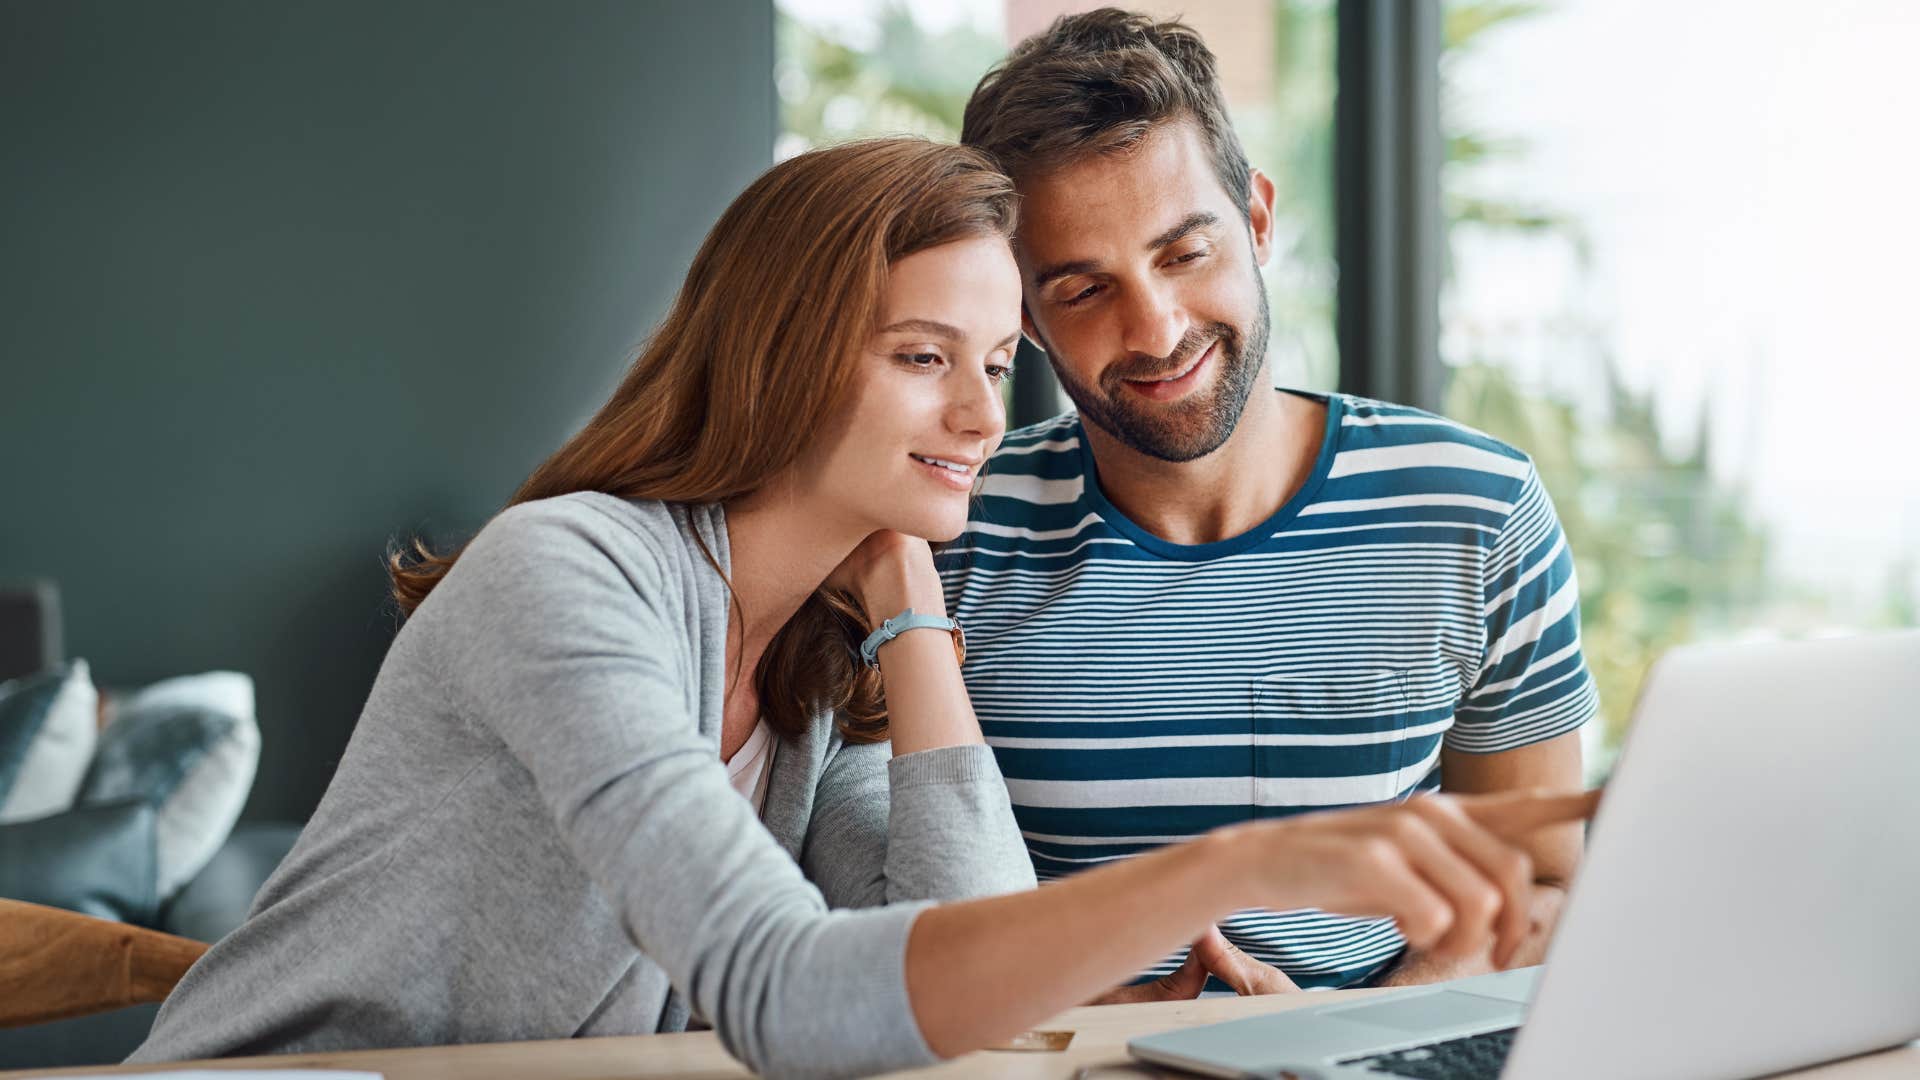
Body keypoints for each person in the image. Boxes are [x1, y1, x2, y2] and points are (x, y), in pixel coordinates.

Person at [130, 138, 1595, 1080]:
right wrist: (1235, 865)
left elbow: (962, 962)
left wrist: (903, 585)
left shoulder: (814, 665)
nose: (980, 411)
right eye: (919, 357)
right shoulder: (569, 575)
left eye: (999, 360)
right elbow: (784, 991)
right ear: (776, 355)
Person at [948, 8, 1601, 999]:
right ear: (1026, 318)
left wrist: (1338, 1045)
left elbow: (1545, 885)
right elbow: (885, 916)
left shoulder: (1478, 510)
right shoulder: (951, 535)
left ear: (1256, 217)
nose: (1156, 329)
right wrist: (1091, 1020)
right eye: (1083, 290)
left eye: (1183, 254)